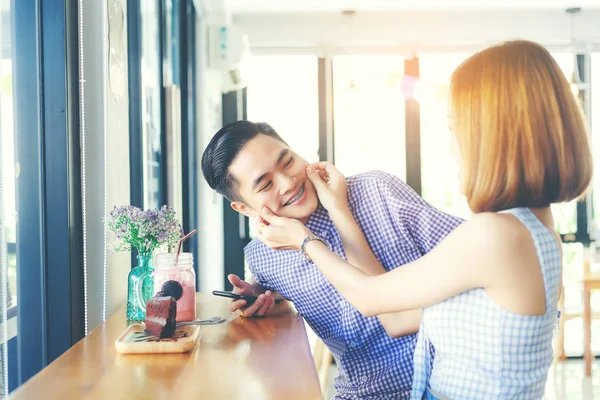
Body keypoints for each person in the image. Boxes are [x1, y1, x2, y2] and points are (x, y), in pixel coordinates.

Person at [255, 40, 593, 400]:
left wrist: (304, 241)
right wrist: (340, 211)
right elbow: (395, 318)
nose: (452, 145)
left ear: (493, 134)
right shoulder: (533, 228)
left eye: (454, 128)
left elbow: (368, 298)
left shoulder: (495, 236)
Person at [201, 120, 464, 399]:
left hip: (449, 381)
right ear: (243, 207)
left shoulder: (376, 191)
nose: (289, 182)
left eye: (288, 161)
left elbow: (473, 255)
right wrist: (261, 299)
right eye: (266, 184)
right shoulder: (264, 256)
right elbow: (275, 292)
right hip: (367, 393)